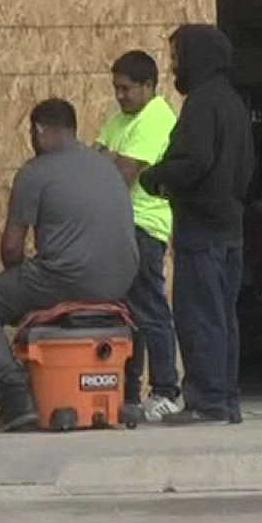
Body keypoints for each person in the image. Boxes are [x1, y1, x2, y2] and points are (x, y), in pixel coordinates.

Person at [0, 98, 140, 431]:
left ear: (40, 131)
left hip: (64, 277)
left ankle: (15, 398)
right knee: (27, 292)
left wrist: (18, 285)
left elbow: (12, 248)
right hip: (120, 281)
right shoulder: (106, 167)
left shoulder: (35, 172)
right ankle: (127, 397)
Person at [138, 25, 256, 425]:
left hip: (202, 229)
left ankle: (206, 402)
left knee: (199, 316)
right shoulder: (234, 103)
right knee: (223, 316)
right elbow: (245, 169)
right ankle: (226, 400)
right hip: (230, 228)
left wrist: (156, 177)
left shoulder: (202, 104)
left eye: (177, 57)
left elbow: (194, 161)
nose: (174, 67)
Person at [95, 50, 183, 422]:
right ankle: (129, 390)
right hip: (118, 225)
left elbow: (121, 174)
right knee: (126, 311)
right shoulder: (120, 119)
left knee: (149, 307)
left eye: (126, 89)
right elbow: (93, 163)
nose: (119, 95)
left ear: (149, 86)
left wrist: (111, 159)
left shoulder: (157, 117)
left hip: (145, 225)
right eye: (116, 88)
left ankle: (165, 389)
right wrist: (110, 159)